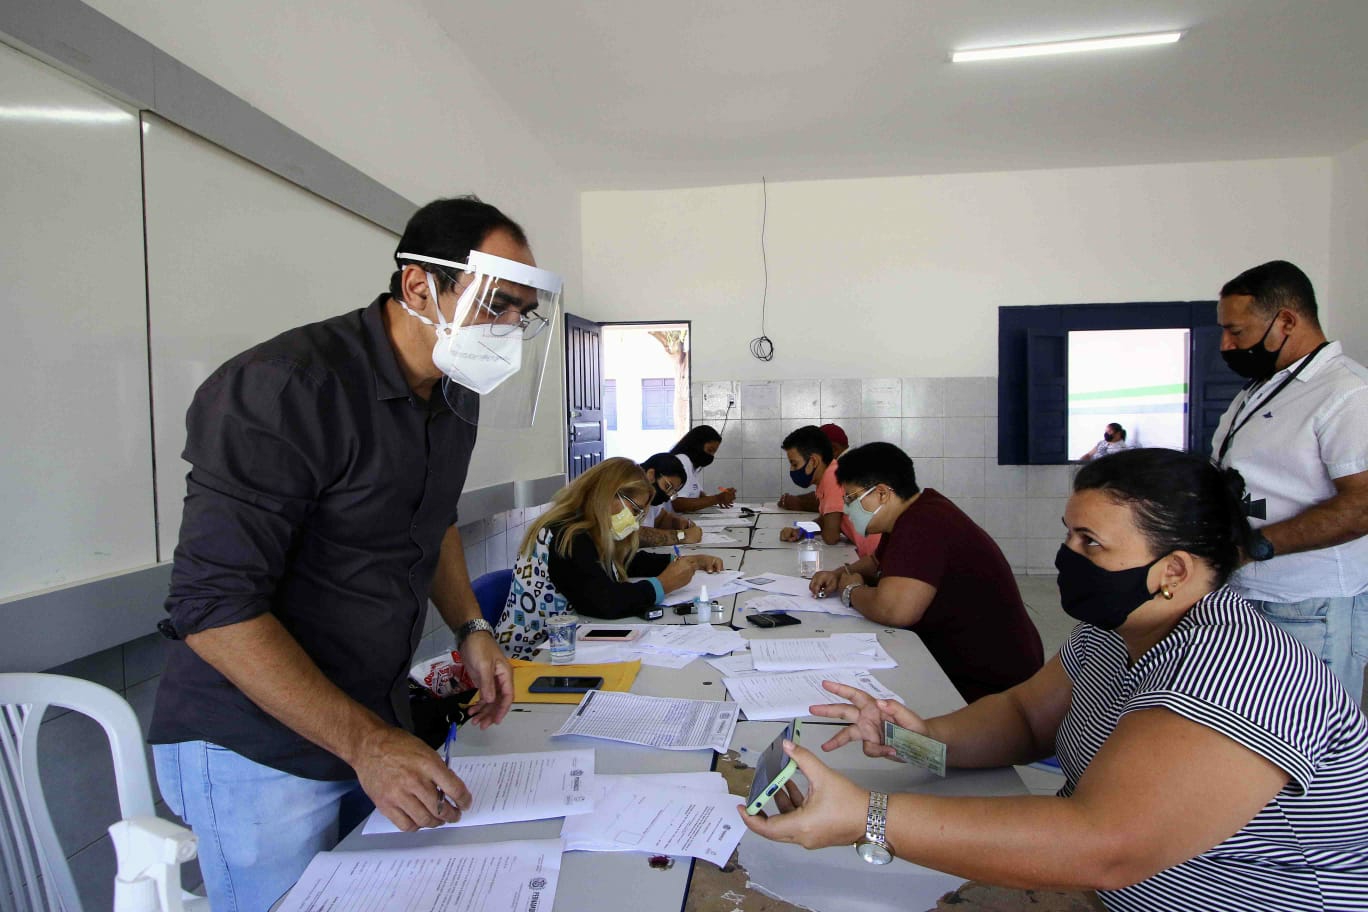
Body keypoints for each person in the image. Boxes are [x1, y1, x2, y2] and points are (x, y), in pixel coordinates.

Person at [741, 448, 1368, 912]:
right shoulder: (1112, 629)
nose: (1066, 555)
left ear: (1172, 569)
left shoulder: (1241, 668)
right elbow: (1025, 717)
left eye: (1090, 543)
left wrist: (868, 817)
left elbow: (1104, 844)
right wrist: (917, 737)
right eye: (1068, 533)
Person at [147, 196, 545, 910]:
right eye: (496, 304)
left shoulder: (455, 393)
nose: (510, 328)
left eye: (522, 311)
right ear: (420, 284)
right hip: (252, 744)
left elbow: (434, 520)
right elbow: (211, 607)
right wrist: (367, 745)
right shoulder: (284, 388)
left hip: (368, 717)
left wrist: (471, 629)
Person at [1212, 260, 1368, 704]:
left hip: (1309, 607)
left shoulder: (1348, 393)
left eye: (1236, 331)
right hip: (1245, 596)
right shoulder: (1262, 389)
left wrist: (1255, 546)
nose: (1226, 344)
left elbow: (1362, 506)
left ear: (1286, 321)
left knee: (1309, 745)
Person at [808, 442, 1042, 701]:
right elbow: (876, 562)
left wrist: (850, 590)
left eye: (851, 499)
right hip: (970, 663)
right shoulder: (914, 511)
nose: (847, 509)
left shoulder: (922, 526)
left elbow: (894, 610)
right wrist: (841, 572)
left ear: (883, 493)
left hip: (992, 685)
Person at [495, 457, 723, 659]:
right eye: (634, 510)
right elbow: (605, 601)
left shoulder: (592, 529)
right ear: (608, 493)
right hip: (532, 658)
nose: (634, 521)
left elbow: (624, 562)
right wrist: (662, 585)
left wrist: (690, 562)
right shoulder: (567, 534)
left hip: (567, 645)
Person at [775, 426, 880, 559]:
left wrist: (823, 529)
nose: (792, 470)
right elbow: (825, 519)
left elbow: (831, 537)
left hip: (877, 554)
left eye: (795, 464)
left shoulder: (832, 477)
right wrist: (802, 530)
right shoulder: (831, 473)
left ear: (813, 461)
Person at [779, 423, 850, 511]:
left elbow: (832, 500)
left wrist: (798, 502)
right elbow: (821, 496)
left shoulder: (847, 468)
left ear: (833, 449)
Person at [636, 452, 702, 547]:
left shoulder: (650, 498)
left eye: (672, 491)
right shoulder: (627, 493)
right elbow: (632, 537)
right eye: (667, 486)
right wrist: (682, 536)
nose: (667, 495)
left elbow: (660, 519)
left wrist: (677, 523)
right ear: (651, 474)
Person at [668, 425, 736, 511]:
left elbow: (699, 495)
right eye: (709, 450)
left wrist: (721, 497)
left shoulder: (693, 466)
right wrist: (717, 498)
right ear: (697, 444)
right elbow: (677, 503)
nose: (711, 456)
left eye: (713, 452)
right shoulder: (682, 460)